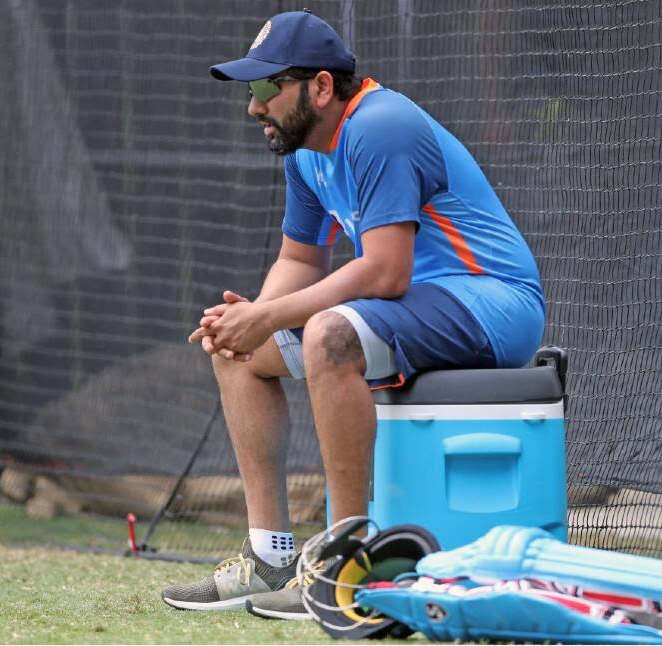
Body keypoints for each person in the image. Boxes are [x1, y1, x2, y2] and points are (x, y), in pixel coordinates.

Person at [161, 9, 545, 617]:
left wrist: (270, 315)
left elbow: (386, 271)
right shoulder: (306, 150)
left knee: (329, 335)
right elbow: (299, 259)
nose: (253, 108)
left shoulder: (380, 124)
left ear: (319, 87)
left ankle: (348, 559)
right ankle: (270, 555)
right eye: (250, 91)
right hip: (419, 307)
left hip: (492, 301)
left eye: (266, 88)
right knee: (234, 348)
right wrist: (251, 320)